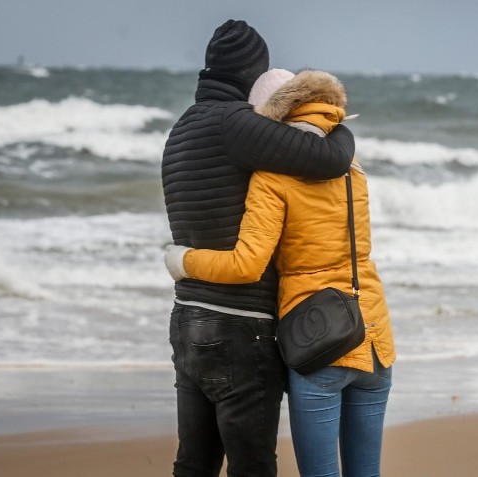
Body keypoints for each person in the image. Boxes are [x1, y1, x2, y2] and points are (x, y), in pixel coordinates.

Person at [165, 68, 396, 477]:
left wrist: (184, 260)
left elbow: (245, 265)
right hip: (374, 334)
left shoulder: (273, 176)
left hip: (319, 337)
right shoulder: (352, 167)